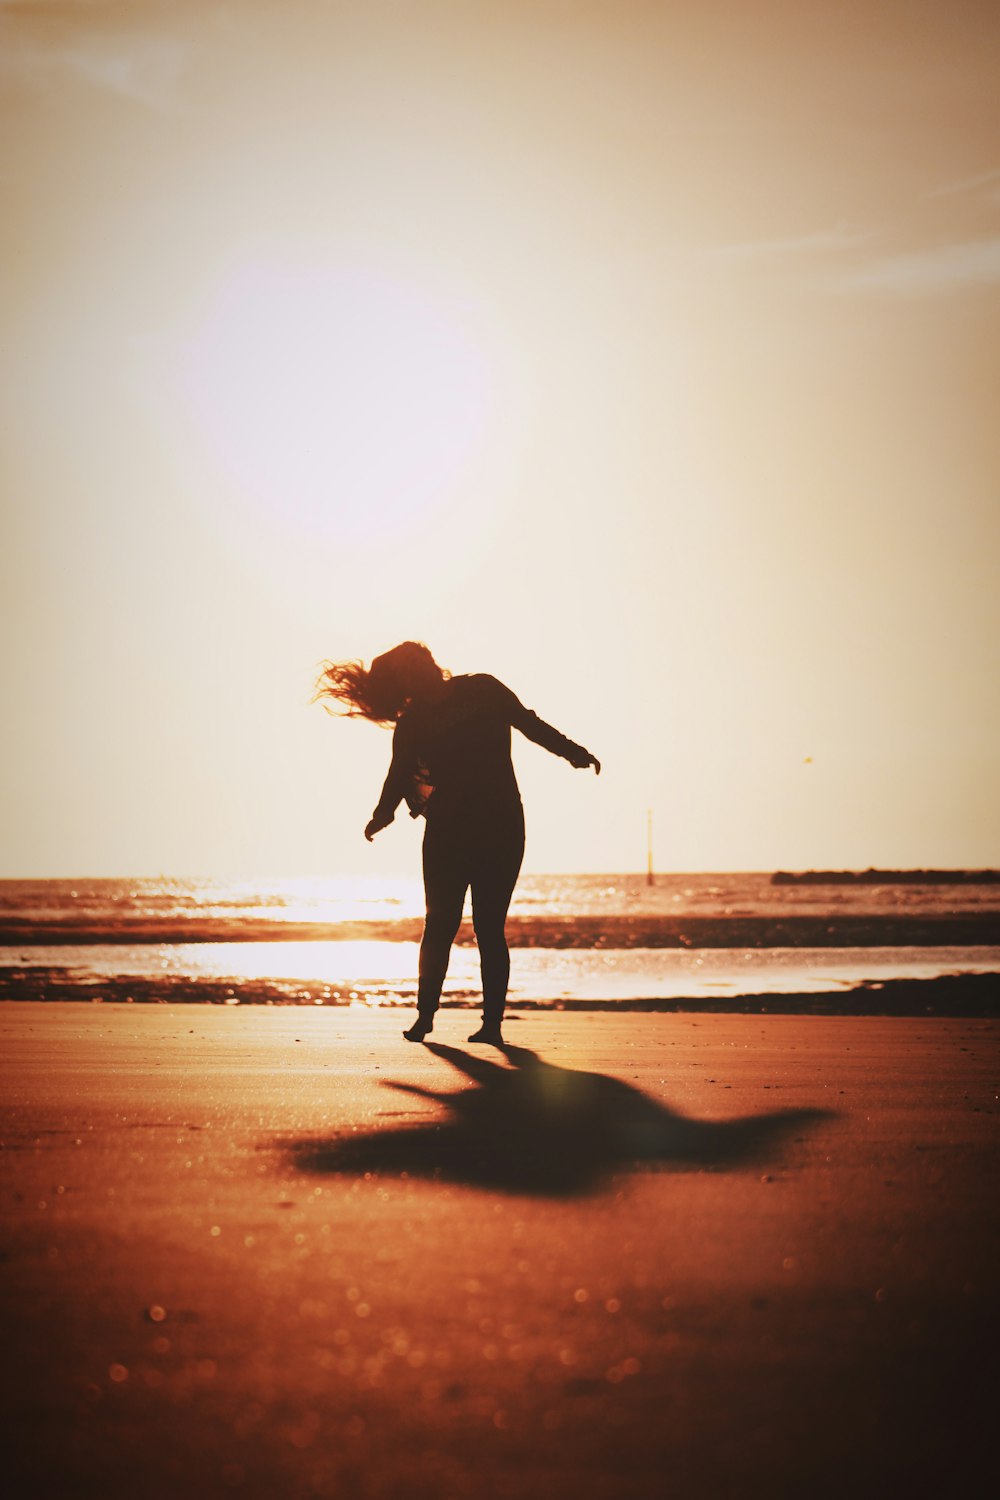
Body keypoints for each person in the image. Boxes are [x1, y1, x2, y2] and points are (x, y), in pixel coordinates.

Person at [316, 642, 600, 1046]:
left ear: (432, 662)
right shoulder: (413, 721)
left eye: (420, 663)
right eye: (408, 672)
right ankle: (424, 1017)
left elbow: (527, 722)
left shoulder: (483, 689)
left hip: (500, 825)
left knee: (489, 927)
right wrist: (383, 813)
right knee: (439, 926)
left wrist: (573, 752)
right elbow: (398, 771)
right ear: (403, 683)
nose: (418, 672)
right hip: (447, 830)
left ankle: (492, 1026)